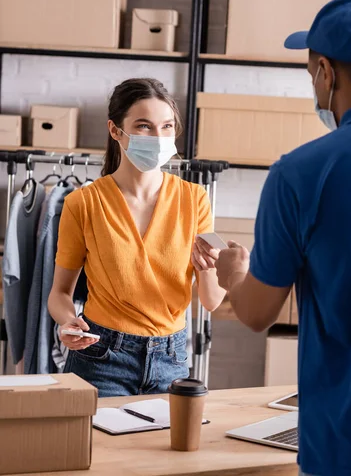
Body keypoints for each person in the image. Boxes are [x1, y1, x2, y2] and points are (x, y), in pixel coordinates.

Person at [214, 0, 351, 476]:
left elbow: (256, 313)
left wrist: (234, 272)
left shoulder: (300, 174)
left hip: (349, 449)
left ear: (325, 73)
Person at [48, 78, 225, 397]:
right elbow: (59, 293)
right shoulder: (84, 203)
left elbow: (211, 300)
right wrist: (68, 322)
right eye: (144, 126)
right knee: (98, 448)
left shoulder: (195, 199)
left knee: (163, 447)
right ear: (116, 130)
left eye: (167, 126)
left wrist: (216, 266)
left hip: (171, 359)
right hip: (101, 358)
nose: (159, 137)